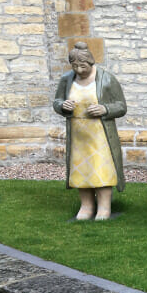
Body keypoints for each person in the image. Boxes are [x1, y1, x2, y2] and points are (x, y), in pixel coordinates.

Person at [53, 42, 126, 221]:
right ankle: (86, 205)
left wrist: (105, 109)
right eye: (75, 66)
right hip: (78, 136)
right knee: (81, 170)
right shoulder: (66, 80)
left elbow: (121, 106)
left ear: (91, 63)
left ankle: (103, 207)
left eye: (83, 66)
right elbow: (57, 101)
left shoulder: (107, 79)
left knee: (101, 169)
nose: (79, 70)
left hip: (100, 135)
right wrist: (63, 106)